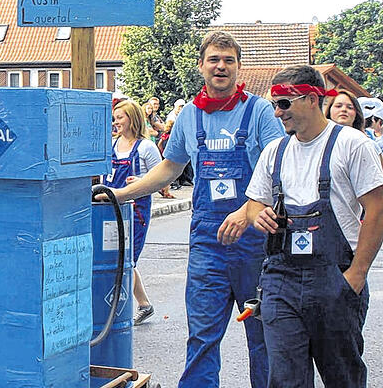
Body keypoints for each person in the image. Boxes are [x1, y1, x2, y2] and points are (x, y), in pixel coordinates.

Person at [102, 31, 284, 387]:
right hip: (208, 243)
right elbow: (170, 168)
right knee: (202, 336)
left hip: (256, 242)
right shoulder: (189, 117)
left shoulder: (258, 110)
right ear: (201, 65)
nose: (221, 66)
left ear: (238, 67)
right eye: (214, 59)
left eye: (228, 60)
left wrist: (248, 209)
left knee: (262, 337)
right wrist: (120, 195)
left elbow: (279, 165)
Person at [236, 65, 383, 386]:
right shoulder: (275, 152)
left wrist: (355, 277)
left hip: (334, 281)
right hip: (280, 281)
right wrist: (256, 213)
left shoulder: (352, 145)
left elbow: (377, 210)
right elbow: (254, 203)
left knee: (342, 377)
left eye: (284, 104)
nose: (277, 113)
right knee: (286, 379)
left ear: (313, 98)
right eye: (274, 104)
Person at [102, 100, 162, 325]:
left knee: (128, 259)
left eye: (120, 117)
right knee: (117, 258)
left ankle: (128, 306)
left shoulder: (146, 147)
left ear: (132, 118)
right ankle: (144, 304)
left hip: (135, 210)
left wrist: (141, 181)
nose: (116, 121)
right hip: (109, 207)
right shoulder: (111, 146)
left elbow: (161, 177)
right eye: (115, 117)